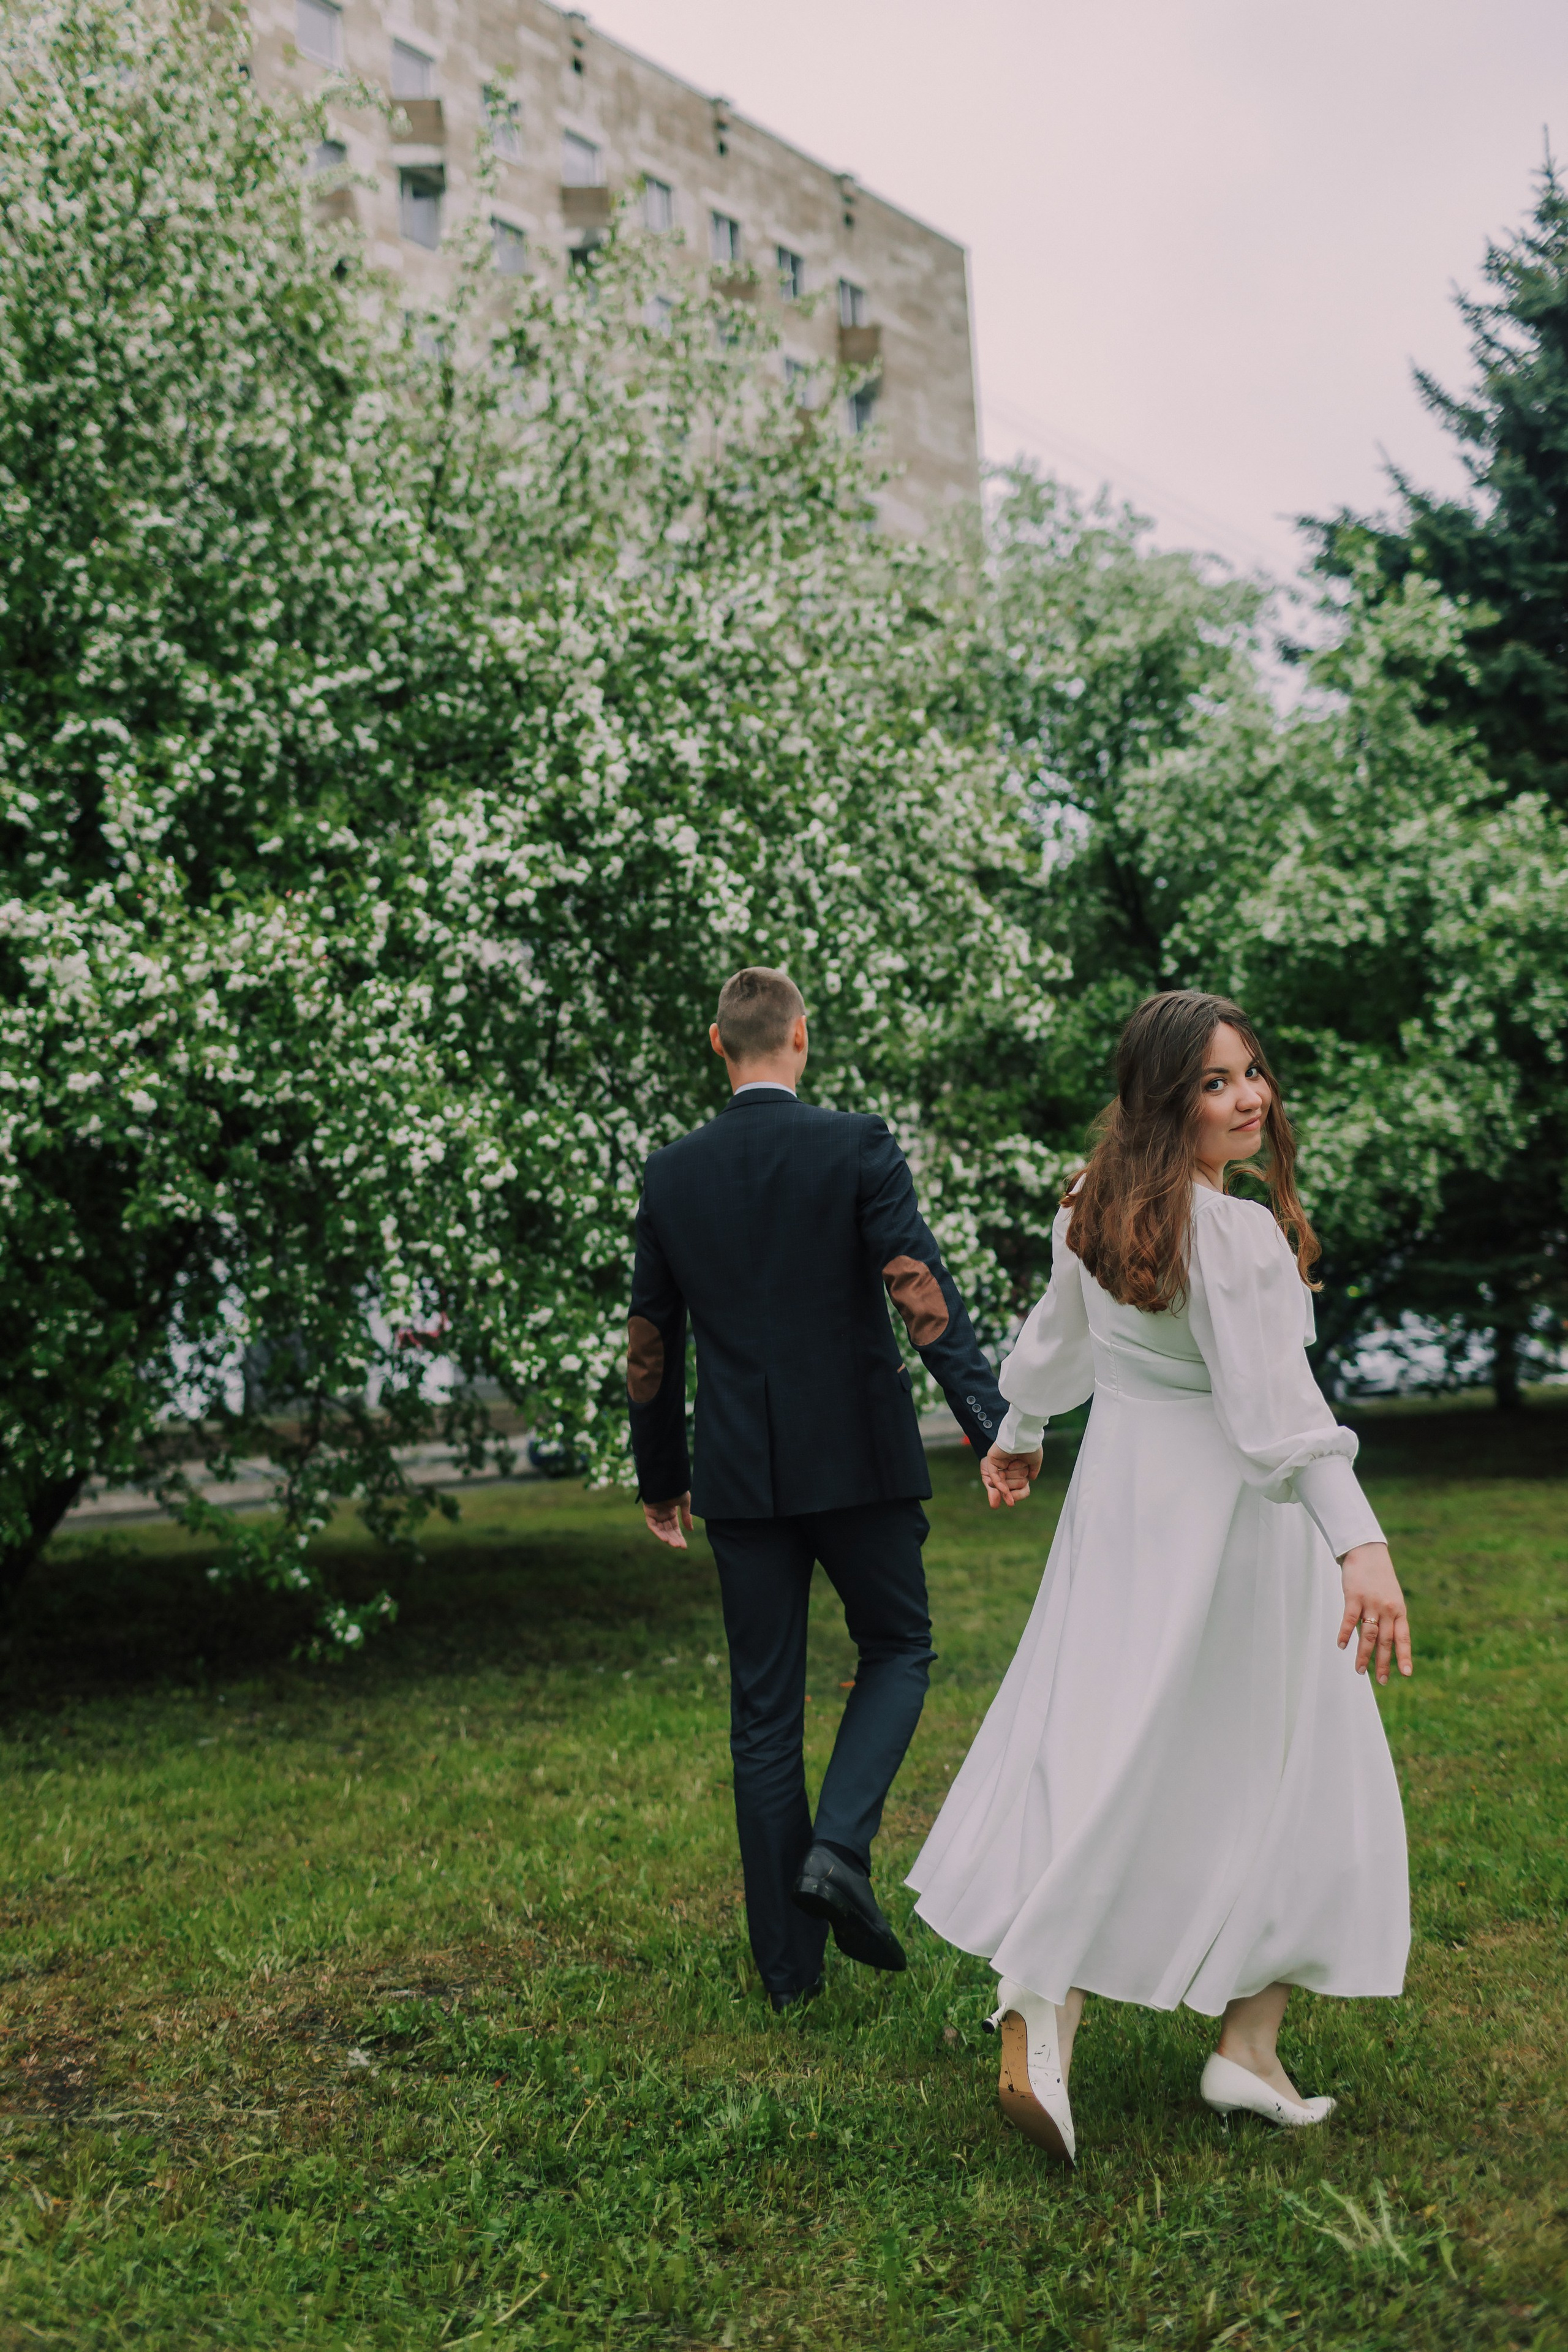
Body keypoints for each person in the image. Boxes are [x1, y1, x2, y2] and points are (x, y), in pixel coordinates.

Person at [908, 990, 1412, 2161]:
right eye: (1214, 1084)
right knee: (1298, 1765)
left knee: (1109, 1740)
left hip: (1123, 1511)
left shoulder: (1096, 1204)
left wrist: (1022, 1427)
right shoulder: (1226, 1236)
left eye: (1252, 1074)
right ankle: (1099, 1997)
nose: (1248, 1099)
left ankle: (1217, 2043)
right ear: (1162, 1099)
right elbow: (1277, 1415)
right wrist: (1361, 1542)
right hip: (1237, 1525)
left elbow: (1052, 1342)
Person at [628, 967, 1012, 2012]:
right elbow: (918, 1288)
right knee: (897, 1646)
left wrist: (660, 1479)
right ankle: (839, 1848)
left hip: (741, 1476)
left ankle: (788, 1978)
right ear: (800, 1038)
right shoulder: (855, 1145)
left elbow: (650, 1347)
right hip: (859, 1462)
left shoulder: (671, 1173)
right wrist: (991, 1422)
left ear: (719, 1044)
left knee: (763, 1715)